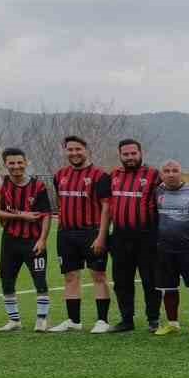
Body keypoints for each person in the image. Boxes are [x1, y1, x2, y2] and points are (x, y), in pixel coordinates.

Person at [50, 135, 113, 333]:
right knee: (70, 277)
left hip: (92, 232)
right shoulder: (59, 175)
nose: (74, 153)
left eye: (78, 149)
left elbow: (106, 208)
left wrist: (101, 235)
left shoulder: (100, 176)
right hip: (66, 233)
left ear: (86, 150)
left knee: (99, 275)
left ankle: (102, 320)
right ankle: (73, 321)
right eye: (70, 149)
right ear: (65, 151)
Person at [0, 147, 52, 332]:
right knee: (7, 279)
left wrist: (43, 239)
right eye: (11, 163)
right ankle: (14, 321)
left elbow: (46, 215)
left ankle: (41, 320)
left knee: (39, 280)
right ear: (5, 164)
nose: (16, 166)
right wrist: (22, 215)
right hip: (10, 240)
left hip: (33, 241)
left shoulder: (38, 186)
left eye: (19, 162)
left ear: (26, 162)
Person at [107, 138, 159, 333]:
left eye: (133, 153)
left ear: (140, 153)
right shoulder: (113, 175)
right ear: (120, 155)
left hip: (146, 236)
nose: (129, 157)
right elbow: (105, 206)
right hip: (120, 237)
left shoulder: (154, 175)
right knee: (122, 281)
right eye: (125, 154)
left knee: (150, 280)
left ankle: (153, 319)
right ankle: (126, 320)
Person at [152, 160, 189, 335]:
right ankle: (172, 323)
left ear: (181, 173)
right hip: (164, 249)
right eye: (167, 171)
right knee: (169, 288)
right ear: (162, 174)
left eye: (175, 170)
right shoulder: (156, 191)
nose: (171, 174)